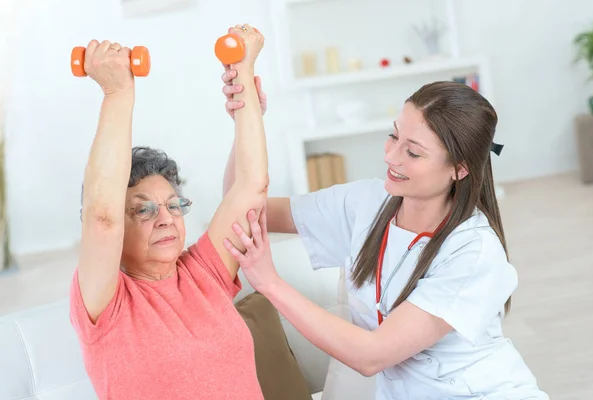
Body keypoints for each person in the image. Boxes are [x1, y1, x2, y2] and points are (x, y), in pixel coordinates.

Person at [220, 74, 549, 399]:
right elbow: (244, 210)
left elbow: (371, 355)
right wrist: (247, 122)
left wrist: (270, 282)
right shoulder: (366, 203)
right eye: (393, 136)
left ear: (459, 169)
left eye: (414, 152)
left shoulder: (472, 253)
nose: (391, 157)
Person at [69, 24, 268, 400]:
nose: (165, 219)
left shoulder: (205, 273)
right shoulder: (105, 303)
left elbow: (251, 185)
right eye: (142, 211)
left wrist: (242, 73)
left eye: (174, 206)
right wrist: (117, 92)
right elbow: (102, 217)